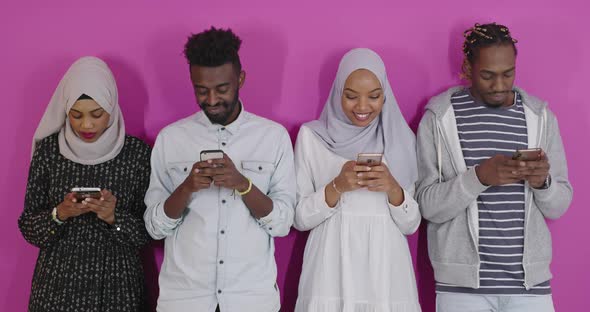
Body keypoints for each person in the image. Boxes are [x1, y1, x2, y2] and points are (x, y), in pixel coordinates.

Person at [416, 23, 573, 311]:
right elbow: (427, 205)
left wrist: (543, 184)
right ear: (467, 67)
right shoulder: (440, 117)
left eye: (508, 74)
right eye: (488, 75)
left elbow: (559, 204)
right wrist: (478, 177)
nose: (499, 86)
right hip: (461, 290)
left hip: (531, 288)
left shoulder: (539, 117)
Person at [143, 26, 295, 312]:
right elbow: (154, 227)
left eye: (222, 89)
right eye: (201, 91)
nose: (211, 101)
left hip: (252, 300)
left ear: (240, 79)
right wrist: (187, 187)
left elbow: (283, 223)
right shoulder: (171, 139)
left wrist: (243, 184)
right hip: (184, 301)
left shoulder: (273, 138)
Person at [18, 56, 152, 312]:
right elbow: (28, 226)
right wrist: (60, 213)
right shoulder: (49, 151)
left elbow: (148, 233)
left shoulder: (136, 154)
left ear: (111, 107)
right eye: (76, 115)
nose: (86, 125)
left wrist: (114, 218)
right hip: (57, 286)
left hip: (118, 286)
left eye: (97, 114)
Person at [293, 48, 422, 312]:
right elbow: (299, 218)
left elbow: (411, 225)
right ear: (338, 92)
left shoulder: (401, 141)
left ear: (385, 95)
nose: (362, 107)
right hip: (330, 270)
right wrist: (337, 187)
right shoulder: (312, 137)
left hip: (386, 272)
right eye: (351, 96)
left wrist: (393, 189)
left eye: (374, 96)